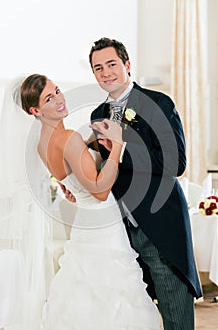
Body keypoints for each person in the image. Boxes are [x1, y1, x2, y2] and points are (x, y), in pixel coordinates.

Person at [20, 73, 161, 330]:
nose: (59, 99)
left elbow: (66, 174)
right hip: (103, 222)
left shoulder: (42, 143)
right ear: (35, 110)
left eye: (58, 90)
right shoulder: (68, 138)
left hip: (84, 223)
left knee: (83, 288)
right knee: (113, 290)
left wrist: (81, 161)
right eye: (49, 98)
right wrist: (116, 146)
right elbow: (100, 191)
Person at [86, 37, 202, 330]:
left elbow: (175, 164)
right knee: (133, 315)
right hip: (119, 229)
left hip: (159, 222)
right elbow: (108, 168)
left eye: (111, 64)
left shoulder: (158, 103)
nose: (106, 72)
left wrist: (124, 144)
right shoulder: (97, 115)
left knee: (175, 312)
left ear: (127, 65)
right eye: (98, 68)